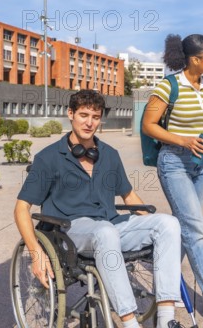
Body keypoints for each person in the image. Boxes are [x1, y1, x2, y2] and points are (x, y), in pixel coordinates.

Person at [15, 90, 185, 328]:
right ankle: (129, 323)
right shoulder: (48, 158)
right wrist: (35, 252)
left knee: (169, 223)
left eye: (95, 116)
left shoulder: (109, 155)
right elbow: (21, 208)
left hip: (111, 226)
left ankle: (167, 320)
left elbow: (129, 196)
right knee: (105, 230)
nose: (89, 122)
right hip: (70, 232)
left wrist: (155, 229)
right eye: (83, 115)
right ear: (70, 114)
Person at [142, 34, 203, 327]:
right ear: (196, 60)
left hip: (199, 165)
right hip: (173, 162)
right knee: (197, 230)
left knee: (186, 229)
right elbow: (149, 126)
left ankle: (164, 285)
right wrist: (183, 141)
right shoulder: (168, 86)